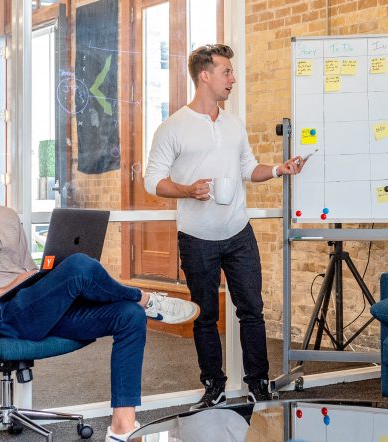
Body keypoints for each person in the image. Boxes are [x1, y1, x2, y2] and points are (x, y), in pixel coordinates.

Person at [0, 136, 200, 441]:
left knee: (127, 315)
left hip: (33, 305)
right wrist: (1, 290)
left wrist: (42, 278)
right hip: (1, 315)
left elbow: (25, 270)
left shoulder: (6, 216)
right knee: (80, 266)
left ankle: (122, 426)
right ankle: (146, 299)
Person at [144, 43, 305, 409]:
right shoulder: (173, 127)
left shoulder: (233, 125)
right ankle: (213, 385)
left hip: (238, 233)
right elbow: (152, 181)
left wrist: (280, 169)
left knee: (252, 309)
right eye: (226, 72)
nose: (232, 79)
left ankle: (258, 383)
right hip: (197, 237)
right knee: (205, 313)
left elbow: (249, 169)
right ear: (205, 75)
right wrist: (187, 189)